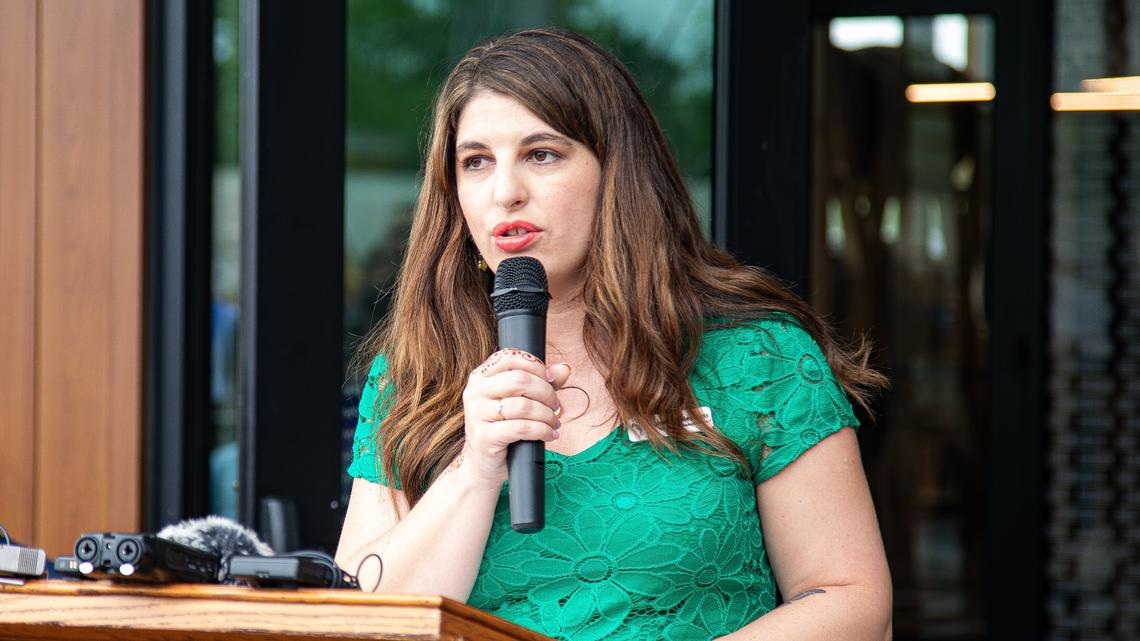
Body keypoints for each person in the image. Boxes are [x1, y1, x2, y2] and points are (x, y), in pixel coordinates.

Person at [336, 27, 892, 641]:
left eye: (542, 154)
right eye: (476, 162)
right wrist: (474, 469)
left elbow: (853, 602)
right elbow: (361, 623)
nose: (506, 192)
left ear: (617, 173)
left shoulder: (756, 356)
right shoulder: (418, 370)